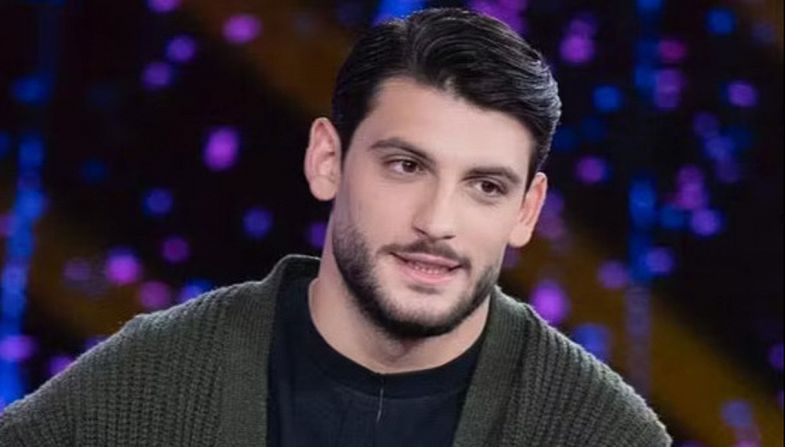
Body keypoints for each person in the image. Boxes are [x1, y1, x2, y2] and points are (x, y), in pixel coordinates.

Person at [0, 7, 671, 446]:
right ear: (328, 159)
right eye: (406, 166)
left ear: (526, 209)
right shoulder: (157, 377)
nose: (437, 222)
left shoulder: (596, 429)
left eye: (485, 186)